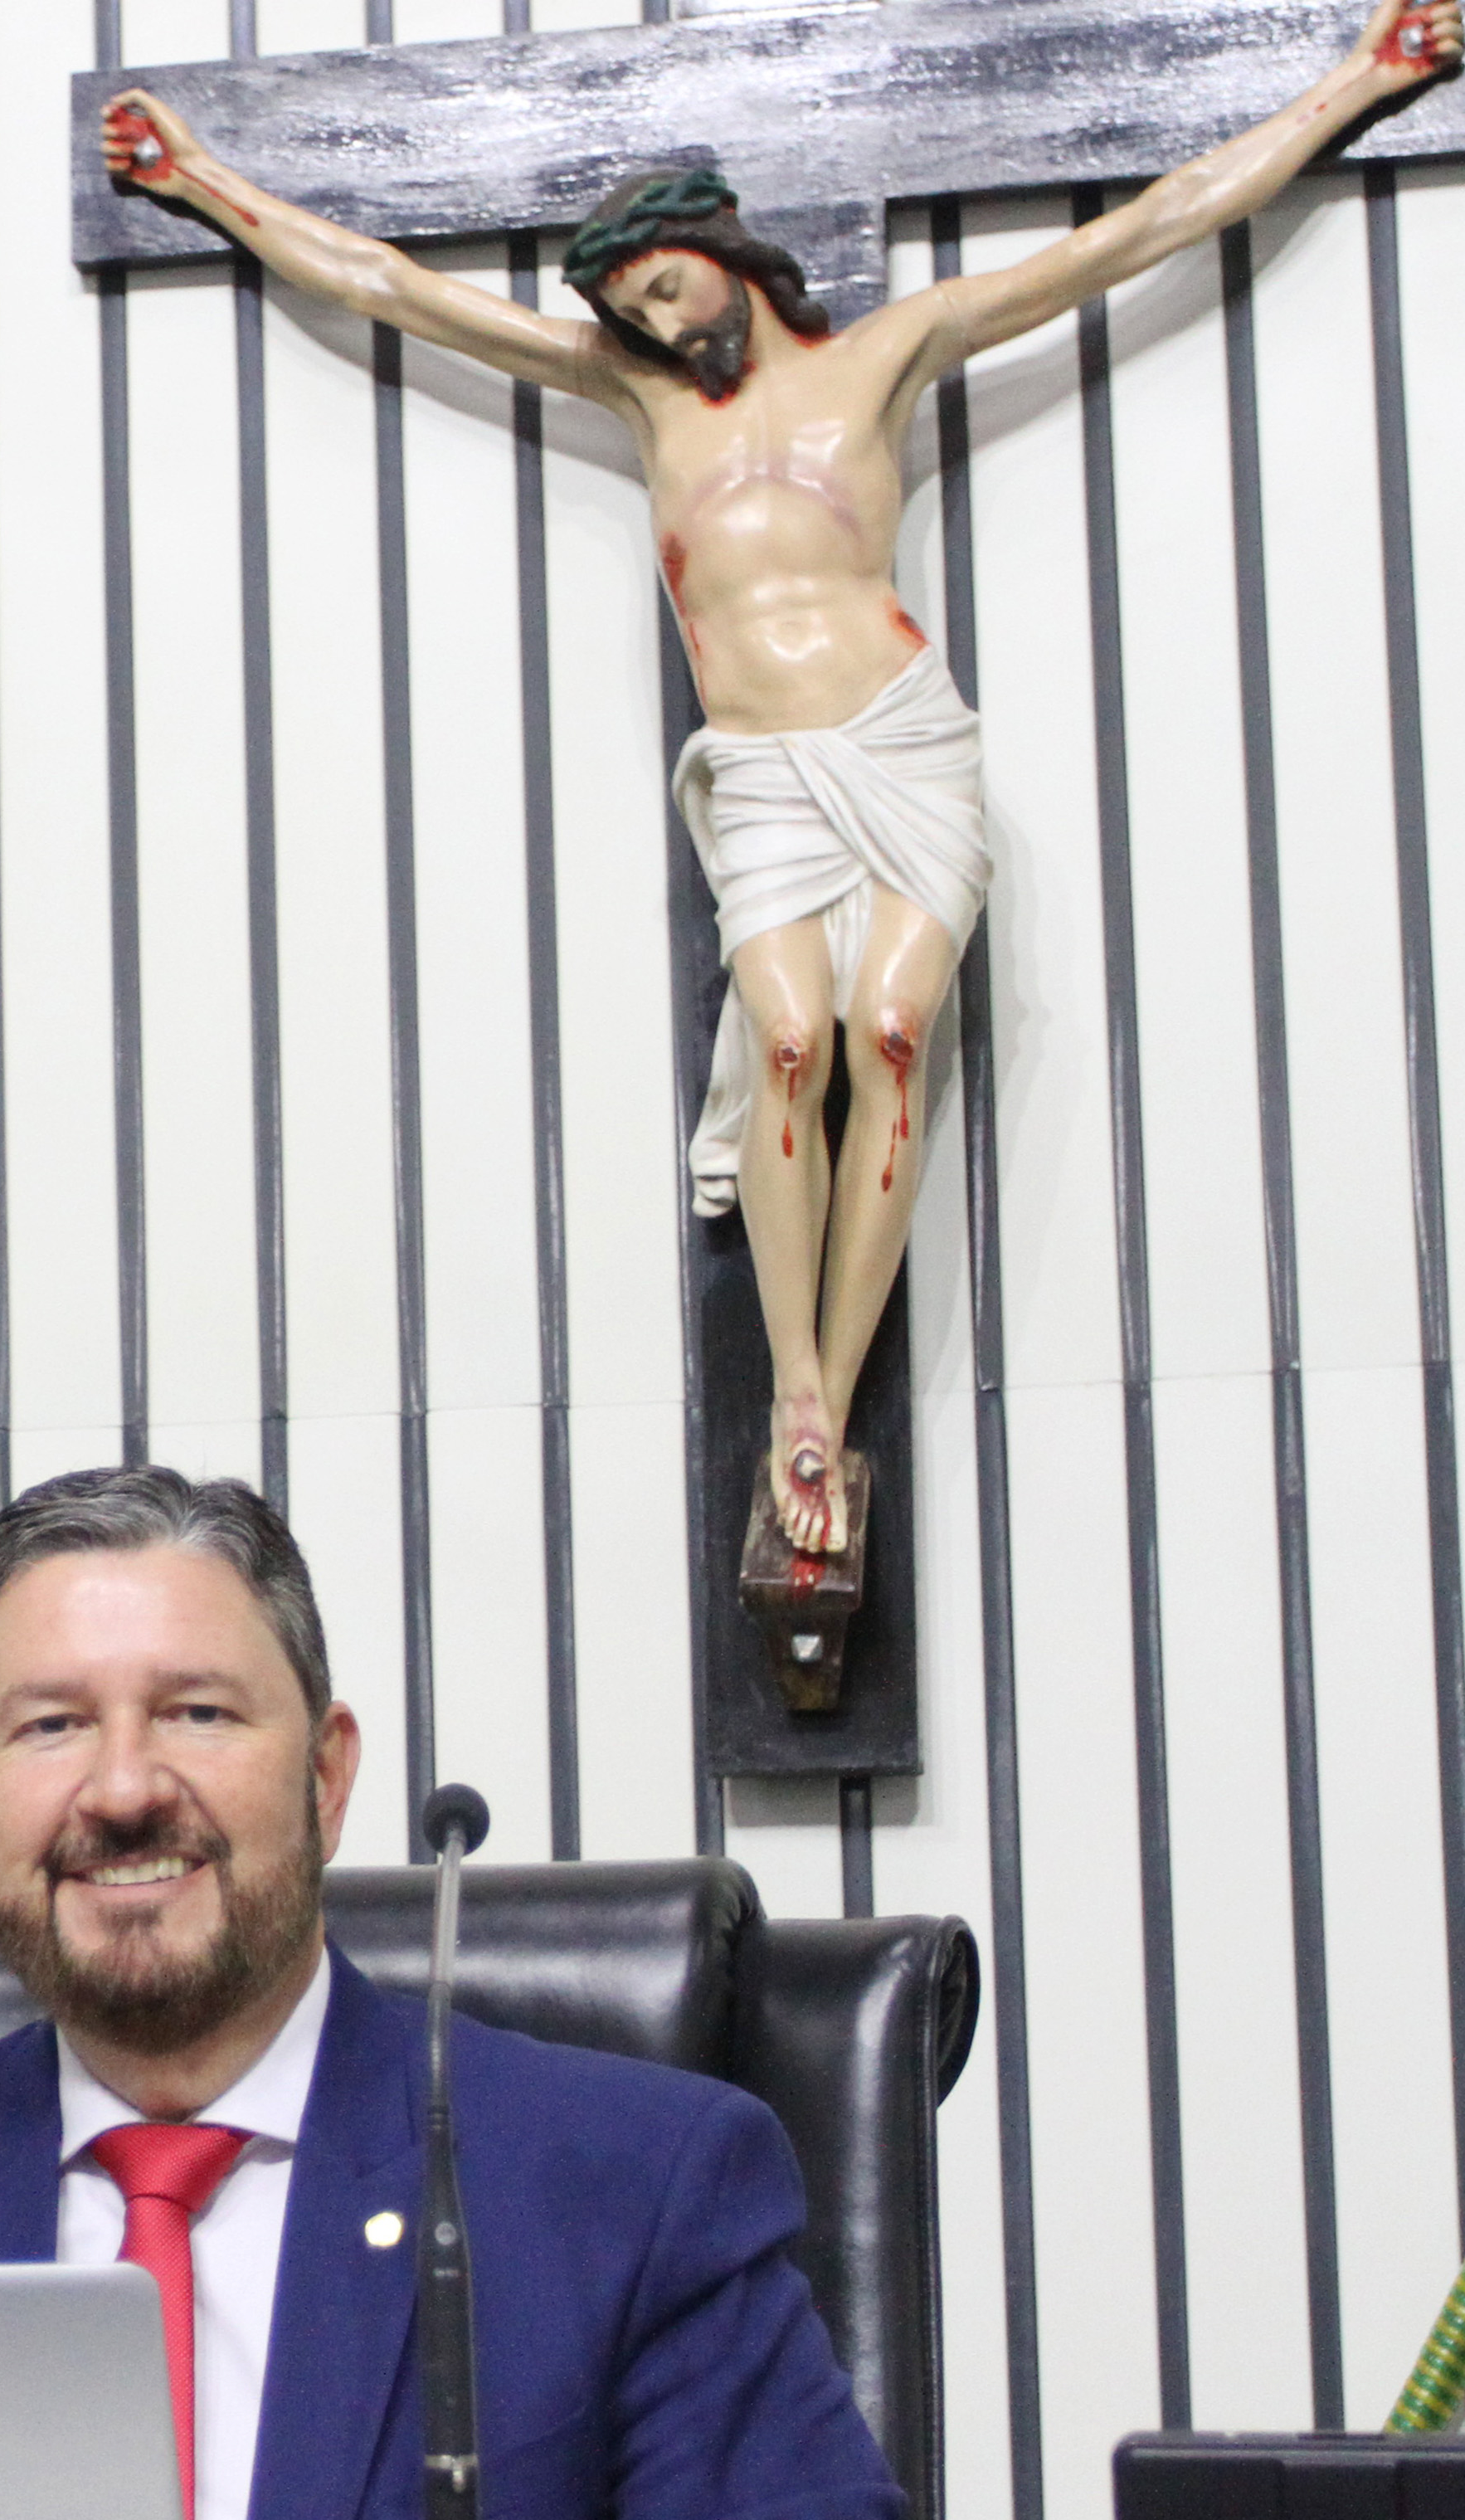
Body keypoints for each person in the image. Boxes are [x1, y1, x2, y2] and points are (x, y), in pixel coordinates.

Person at [105, 0, 1458, 1564]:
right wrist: (205, 180)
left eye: (665, 287)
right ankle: (798, 1397)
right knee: (794, 1043)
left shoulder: (894, 351)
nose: (657, 324)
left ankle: (833, 1379)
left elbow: (1146, 229)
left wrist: (1363, 79)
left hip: (895, 737)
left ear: (729, 254)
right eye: (628, 307)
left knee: (892, 1029)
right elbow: (392, 286)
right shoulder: (641, 399)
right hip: (755, 768)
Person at [0, 1466, 933, 2520]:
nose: (124, 1787)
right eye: (52, 1727)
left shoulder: (635, 2193)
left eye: (196, 1712)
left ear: (329, 1776)